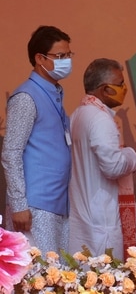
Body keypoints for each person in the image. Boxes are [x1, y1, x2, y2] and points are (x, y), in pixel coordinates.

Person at [1, 26, 73, 253]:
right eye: (60, 56)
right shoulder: (26, 97)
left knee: (60, 276)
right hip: (34, 207)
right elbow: (11, 153)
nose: (66, 62)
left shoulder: (55, 94)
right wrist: (19, 205)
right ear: (39, 58)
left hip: (58, 202)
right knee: (39, 280)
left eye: (68, 56)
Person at [68, 58, 136, 259]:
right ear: (104, 90)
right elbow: (112, 167)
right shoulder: (100, 119)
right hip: (103, 216)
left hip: (87, 213)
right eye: (119, 85)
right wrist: (132, 156)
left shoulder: (78, 114)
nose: (124, 89)